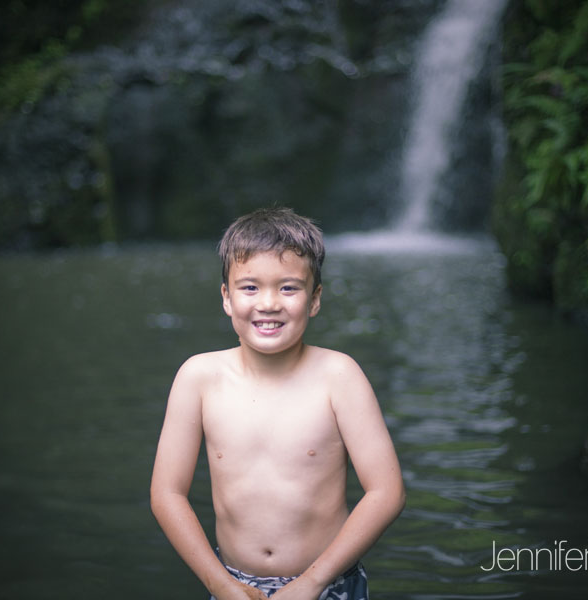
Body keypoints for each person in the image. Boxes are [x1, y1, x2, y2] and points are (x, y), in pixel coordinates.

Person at [150, 207, 405, 599]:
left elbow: (386, 491)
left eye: (288, 288)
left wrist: (310, 584)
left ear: (315, 299)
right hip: (233, 584)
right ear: (226, 297)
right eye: (250, 288)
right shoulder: (198, 378)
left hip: (327, 583)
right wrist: (220, 583)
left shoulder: (339, 376)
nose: (268, 303)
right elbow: (167, 493)